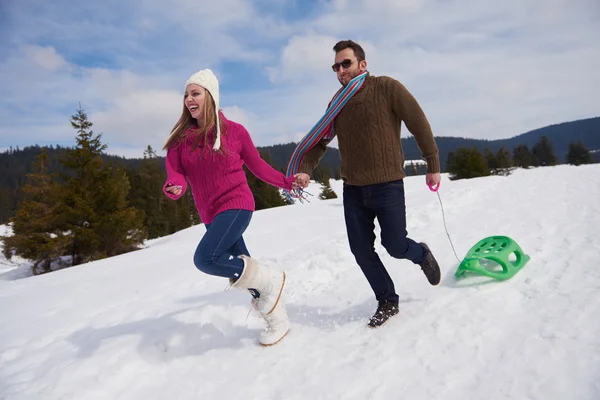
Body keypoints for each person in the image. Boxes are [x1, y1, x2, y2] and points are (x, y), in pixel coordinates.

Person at [291, 40, 442, 328]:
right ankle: (387, 299)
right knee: (361, 250)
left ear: (363, 64)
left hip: (387, 185)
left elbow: (418, 122)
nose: (340, 70)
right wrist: (306, 169)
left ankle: (421, 254)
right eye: (336, 66)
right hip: (353, 189)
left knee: (395, 245)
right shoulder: (337, 101)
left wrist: (432, 163)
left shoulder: (387, 87)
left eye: (345, 63)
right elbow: (320, 141)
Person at [162, 69, 302, 346]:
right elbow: (174, 173)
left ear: (210, 96)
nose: (189, 99)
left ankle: (272, 279)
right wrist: (174, 185)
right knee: (245, 270)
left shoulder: (235, 132)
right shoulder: (180, 141)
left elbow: (257, 166)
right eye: (186, 94)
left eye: (196, 93)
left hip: (236, 204)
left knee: (206, 258)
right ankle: (278, 319)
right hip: (210, 213)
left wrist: (286, 182)